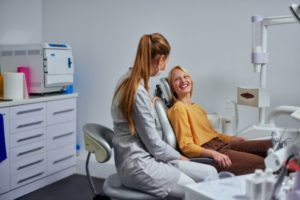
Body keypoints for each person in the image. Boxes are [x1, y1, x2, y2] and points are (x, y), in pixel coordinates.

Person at [111, 33, 218, 199]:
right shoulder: (137, 91)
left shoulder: (128, 79)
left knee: (210, 172)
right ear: (160, 59)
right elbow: (154, 145)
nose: (165, 64)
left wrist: (152, 104)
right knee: (195, 190)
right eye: (166, 61)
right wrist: (181, 158)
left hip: (145, 156)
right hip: (139, 164)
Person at [167, 65, 273, 176]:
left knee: (270, 145)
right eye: (177, 79)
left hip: (220, 144)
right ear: (172, 87)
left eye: (185, 76)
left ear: (191, 81)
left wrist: (232, 139)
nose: (183, 80)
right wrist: (212, 154)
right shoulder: (178, 108)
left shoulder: (197, 107)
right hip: (211, 152)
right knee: (264, 163)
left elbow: (213, 134)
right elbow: (186, 146)